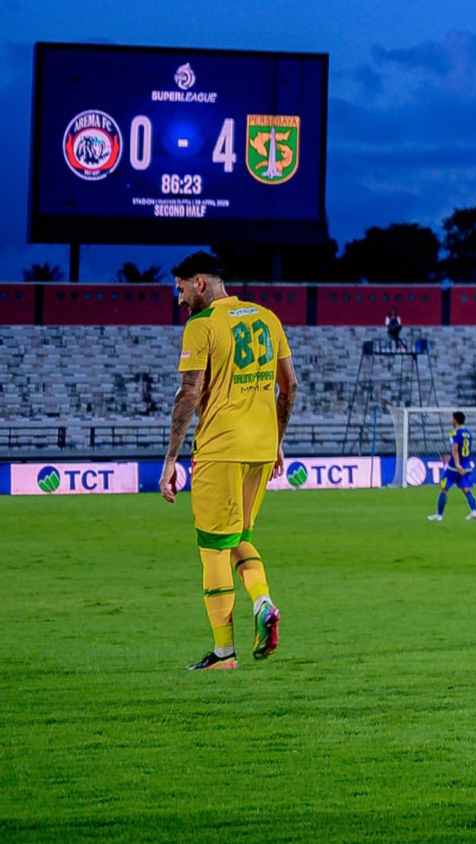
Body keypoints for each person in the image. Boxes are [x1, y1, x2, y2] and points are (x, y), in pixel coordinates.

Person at [160, 251, 298, 671]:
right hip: (259, 448)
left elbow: (189, 394)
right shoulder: (267, 317)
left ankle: (224, 654)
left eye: (181, 288)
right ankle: (262, 602)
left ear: (200, 282)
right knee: (237, 537)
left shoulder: (201, 326)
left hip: (221, 449)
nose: (179, 298)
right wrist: (277, 439)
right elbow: (289, 386)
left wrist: (171, 458)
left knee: (212, 550)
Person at [427, 411, 476, 522]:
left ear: (455, 420)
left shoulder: (454, 433)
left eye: (452, 419)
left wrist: (456, 464)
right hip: (466, 466)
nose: (451, 421)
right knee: (466, 489)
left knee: (443, 488)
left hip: (454, 467)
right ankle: (475, 510)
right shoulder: (469, 433)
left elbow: (455, 450)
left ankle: (439, 515)